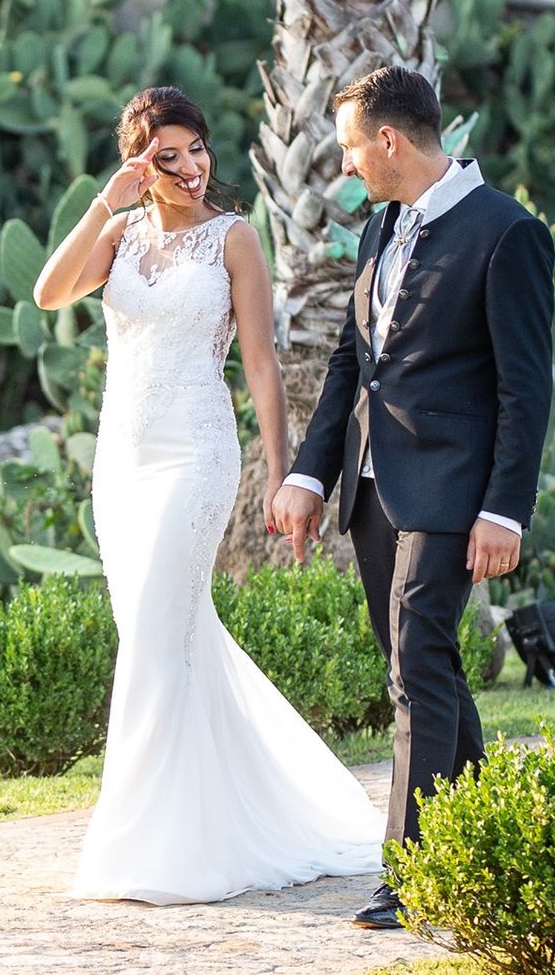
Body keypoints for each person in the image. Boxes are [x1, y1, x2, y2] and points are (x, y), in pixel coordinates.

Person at [36, 86, 384, 904]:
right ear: (139, 164)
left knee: (158, 634)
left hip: (195, 453)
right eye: (169, 156)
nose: (191, 167)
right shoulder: (117, 235)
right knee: (165, 637)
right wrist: (103, 204)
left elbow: (261, 364)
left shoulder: (236, 239)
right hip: (121, 460)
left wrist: (282, 471)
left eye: (197, 150)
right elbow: (51, 292)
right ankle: (206, 822)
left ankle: (140, 848)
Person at [271, 64, 555, 929]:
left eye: (352, 147)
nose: (346, 165)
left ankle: (414, 874)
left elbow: (524, 388)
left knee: (414, 663)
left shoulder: (508, 233)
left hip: (452, 493)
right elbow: (351, 364)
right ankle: (486, 837)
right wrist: (308, 473)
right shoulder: (379, 227)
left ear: (390, 140)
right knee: (424, 664)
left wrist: (504, 511)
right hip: (368, 486)